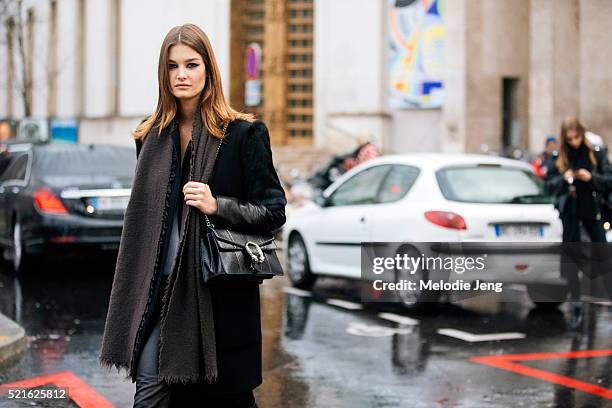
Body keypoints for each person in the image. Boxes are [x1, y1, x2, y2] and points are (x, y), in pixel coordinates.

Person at [99, 24, 286, 407]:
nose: (181, 75)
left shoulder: (243, 135)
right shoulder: (149, 137)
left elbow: (274, 211)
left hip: (217, 297)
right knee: (149, 393)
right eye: (172, 66)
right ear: (162, 73)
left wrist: (219, 205)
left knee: (223, 399)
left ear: (208, 70)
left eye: (191, 64)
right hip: (159, 292)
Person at [544, 117, 612, 329]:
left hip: (592, 212)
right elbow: (547, 187)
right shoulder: (558, 157)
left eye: (577, 137)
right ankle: (575, 306)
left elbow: (609, 180)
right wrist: (563, 178)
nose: (574, 142)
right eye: (570, 138)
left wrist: (590, 177)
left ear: (582, 134)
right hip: (570, 214)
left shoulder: (595, 154)